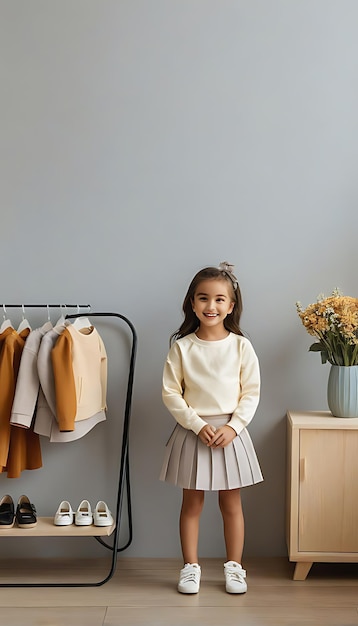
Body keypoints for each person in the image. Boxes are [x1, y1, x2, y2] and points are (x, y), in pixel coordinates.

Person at [160, 262, 263, 595]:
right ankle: (191, 567)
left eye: (220, 299)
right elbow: (171, 392)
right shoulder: (182, 347)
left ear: (231, 306)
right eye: (203, 298)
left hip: (231, 434)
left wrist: (234, 427)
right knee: (191, 504)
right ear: (192, 302)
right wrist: (195, 423)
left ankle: (235, 567)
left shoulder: (241, 347)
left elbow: (251, 392)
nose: (211, 306)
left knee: (231, 504)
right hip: (194, 433)